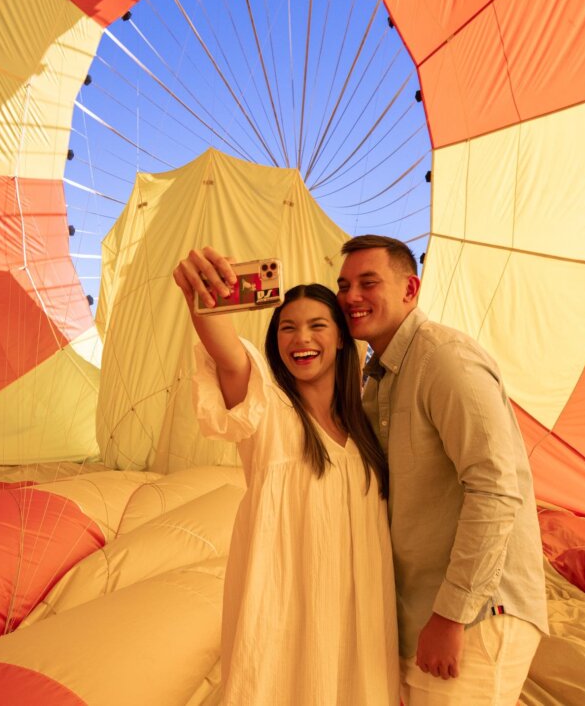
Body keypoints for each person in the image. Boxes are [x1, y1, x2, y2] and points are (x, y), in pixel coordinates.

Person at [173, 247, 398, 705]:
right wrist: (204, 293)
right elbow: (230, 356)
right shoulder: (268, 410)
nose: (301, 338)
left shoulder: (367, 427)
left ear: (340, 338)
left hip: (362, 621)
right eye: (287, 328)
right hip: (288, 616)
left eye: (317, 325)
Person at [336, 235, 549, 705]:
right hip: (422, 612)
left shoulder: (444, 359)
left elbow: (495, 490)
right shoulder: (377, 379)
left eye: (367, 283)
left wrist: (452, 616)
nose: (351, 296)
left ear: (411, 289)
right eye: (344, 284)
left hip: (476, 613)